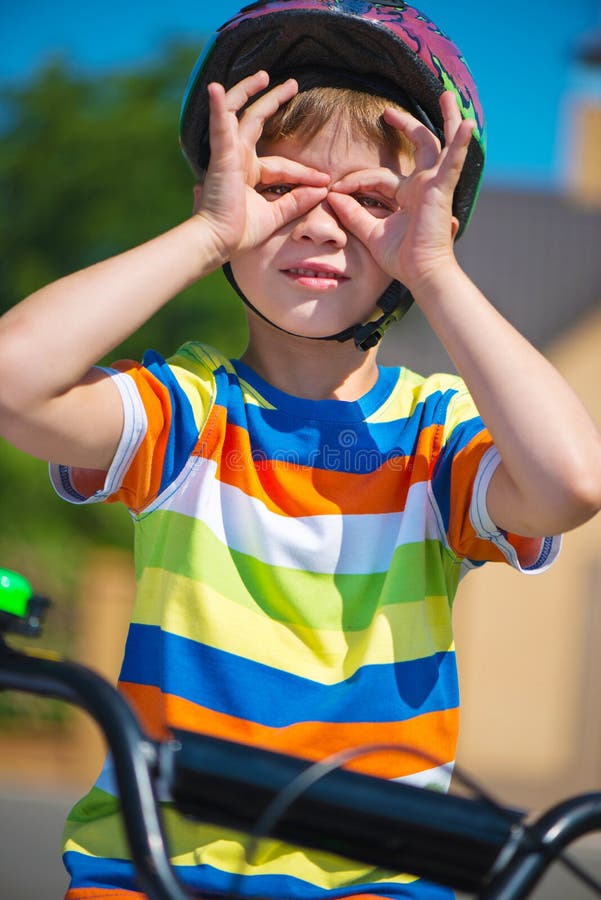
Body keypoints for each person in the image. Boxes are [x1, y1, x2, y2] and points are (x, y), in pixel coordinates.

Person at [1, 1, 601, 898]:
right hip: (156, 866)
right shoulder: (187, 415)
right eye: (280, 189)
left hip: (387, 875)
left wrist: (436, 273)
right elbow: (14, 377)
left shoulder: (435, 441)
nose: (322, 225)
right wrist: (207, 234)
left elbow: (568, 484)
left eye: (371, 204)